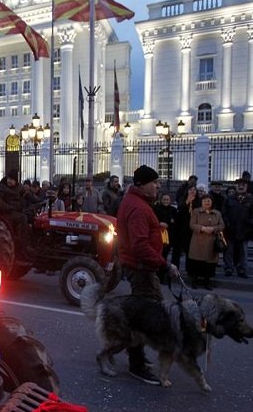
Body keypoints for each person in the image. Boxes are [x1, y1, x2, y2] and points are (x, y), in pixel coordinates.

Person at [117, 165, 179, 385]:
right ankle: (137, 364)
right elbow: (140, 246)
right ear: (142, 184)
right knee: (146, 318)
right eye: (154, 182)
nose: (158, 186)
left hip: (142, 267)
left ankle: (136, 355)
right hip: (142, 269)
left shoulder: (138, 203)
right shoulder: (138, 208)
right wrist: (164, 265)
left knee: (142, 314)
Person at [186, 194, 224, 290]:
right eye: (205, 201)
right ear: (201, 202)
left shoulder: (217, 213)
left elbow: (222, 226)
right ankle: (194, 281)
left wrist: (213, 228)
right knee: (197, 263)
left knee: (209, 265)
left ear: (212, 202)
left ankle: (207, 282)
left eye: (209, 201)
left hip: (211, 242)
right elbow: (192, 224)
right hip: (198, 241)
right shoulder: (196, 212)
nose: (207, 202)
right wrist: (202, 228)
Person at [221, 178, 253, 278]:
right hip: (231, 229)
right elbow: (224, 212)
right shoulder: (229, 198)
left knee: (243, 251)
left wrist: (250, 223)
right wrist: (227, 223)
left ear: (246, 187)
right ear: (236, 186)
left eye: (243, 185)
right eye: (239, 185)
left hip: (245, 230)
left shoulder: (251, 199)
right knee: (229, 250)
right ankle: (228, 268)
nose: (241, 186)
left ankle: (242, 269)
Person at [153, 193, 178, 283]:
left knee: (165, 256)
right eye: (164, 199)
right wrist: (160, 223)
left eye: (167, 199)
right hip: (157, 236)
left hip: (169, 237)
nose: (166, 201)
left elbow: (176, 223)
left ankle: (162, 277)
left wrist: (169, 225)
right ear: (161, 200)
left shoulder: (173, 210)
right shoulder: (156, 209)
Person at [0, 170, 27, 236]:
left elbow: (26, 197)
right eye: (8, 178)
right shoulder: (1, 188)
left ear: (15, 180)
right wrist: (11, 208)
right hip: (6, 212)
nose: (9, 181)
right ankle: (21, 240)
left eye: (11, 179)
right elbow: (0, 203)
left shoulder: (20, 188)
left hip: (17, 210)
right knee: (23, 218)